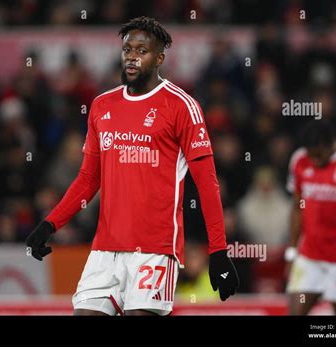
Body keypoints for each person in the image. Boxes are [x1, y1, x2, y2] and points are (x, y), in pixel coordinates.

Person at [26, 16, 239, 316]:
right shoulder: (102, 106)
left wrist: (218, 250)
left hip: (155, 250)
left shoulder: (182, 106)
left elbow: (207, 184)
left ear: (159, 57)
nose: (132, 57)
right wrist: (50, 224)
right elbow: (88, 179)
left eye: (142, 50)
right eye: (127, 49)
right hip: (104, 251)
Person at [286, 120, 336, 315]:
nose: (314, 161)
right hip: (309, 255)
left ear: (330, 144)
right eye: (310, 156)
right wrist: (292, 252)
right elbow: (297, 207)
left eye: (319, 155)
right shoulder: (299, 160)